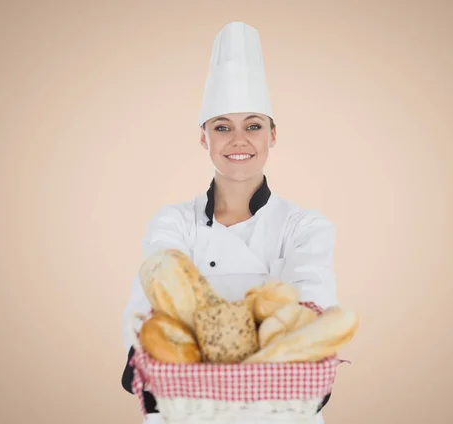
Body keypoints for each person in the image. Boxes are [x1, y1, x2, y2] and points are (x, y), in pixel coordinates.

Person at [121, 21, 339, 424]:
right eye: (222, 127)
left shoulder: (305, 227)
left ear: (273, 135)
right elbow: (149, 304)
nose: (238, 141)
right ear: (204, 138)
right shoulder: (173, 223)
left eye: (253, 126)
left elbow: (313, 309)